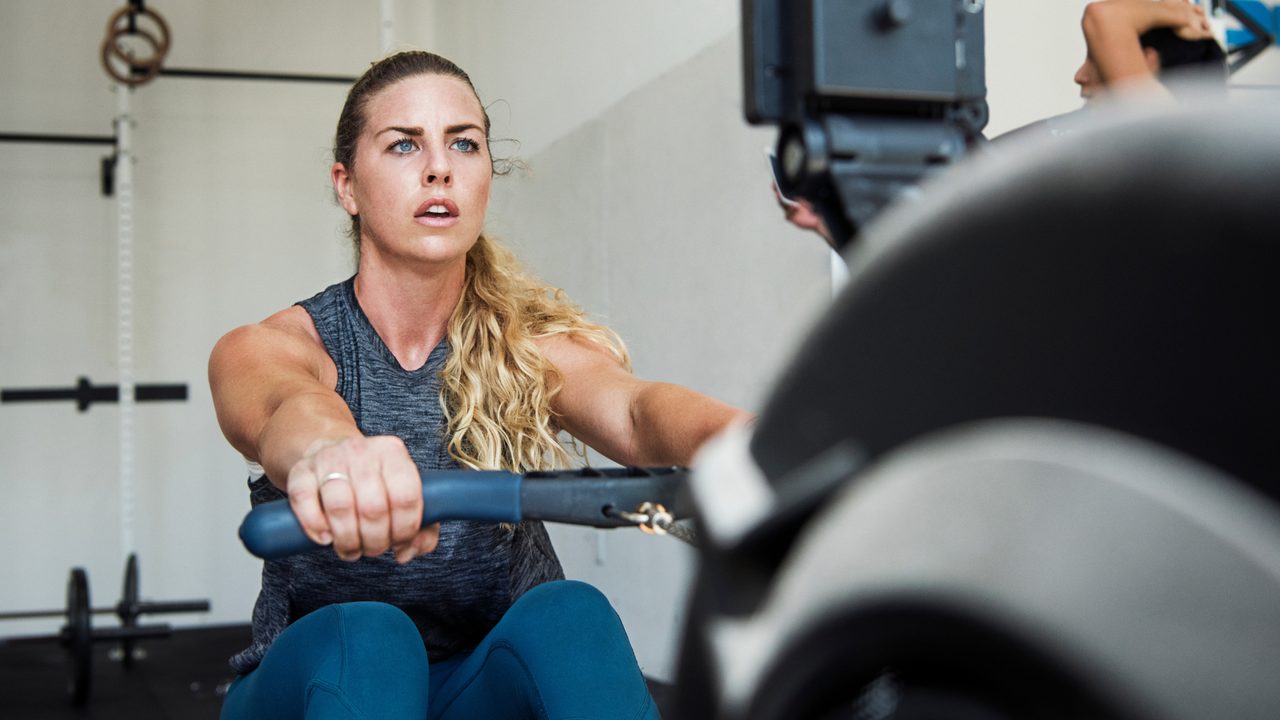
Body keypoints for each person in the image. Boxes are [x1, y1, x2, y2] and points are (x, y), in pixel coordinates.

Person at [209, 51, 750, 720]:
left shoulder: (520, 346)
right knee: (371, 637)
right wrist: (331, 453)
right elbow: (286, 404)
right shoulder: (281, 344)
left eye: (463, 143)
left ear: (487, 173)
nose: (439, 167)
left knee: (571, 616)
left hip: (479, 691)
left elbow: (636, 412)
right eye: (404, 144)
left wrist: (753, 442)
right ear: (346, 186)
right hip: (325, 690)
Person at [1074, 0, 1223, 104]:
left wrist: (1181, 12)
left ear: (1146, 61)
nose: (1079, 77)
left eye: (1095, 59)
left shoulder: (1168, 130)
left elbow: (1105, 14)